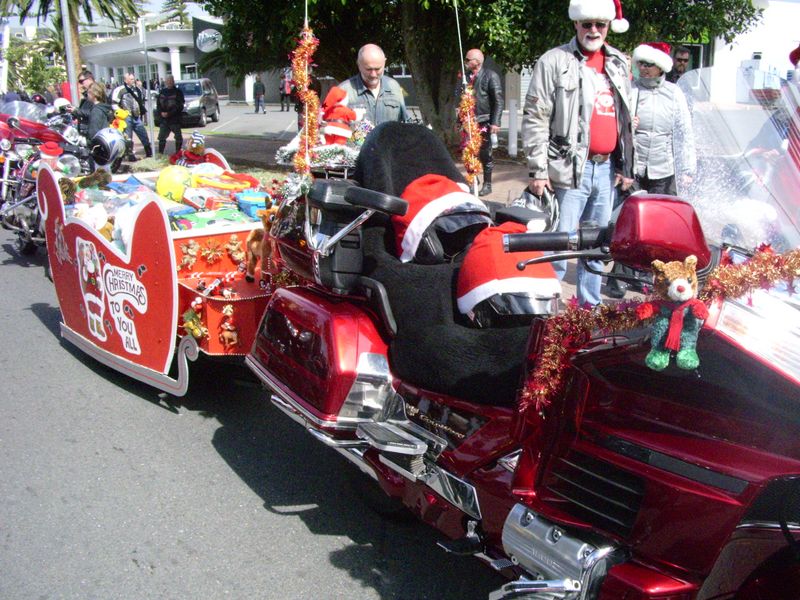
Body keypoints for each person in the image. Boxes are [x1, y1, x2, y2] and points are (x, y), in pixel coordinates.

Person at [521, 0, 634, 307]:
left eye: (600, 24)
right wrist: (538, 170)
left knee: (596, 247)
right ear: (576, 24)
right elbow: (535, 117)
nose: (593, 30)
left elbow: (625, 119)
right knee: (559, 245)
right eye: (587, 24)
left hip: (606, 170)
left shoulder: (619, 63)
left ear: (608, 26)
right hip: (568, 170)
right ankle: (545, 309)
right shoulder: (554, 61)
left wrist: (626, 166)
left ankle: (588, 310)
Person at [606, 41, 696, 298]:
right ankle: (619, 276)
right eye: (641, 64)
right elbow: (615, 123)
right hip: (633, 167)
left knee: (658, 226)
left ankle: (648, 274)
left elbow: (684, 131)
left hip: (663, 168)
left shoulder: (673, 93)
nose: (644, 69)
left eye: (650, 64)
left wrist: (687, 168)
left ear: (661, 67)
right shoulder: (631, 89)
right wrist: (628, 124)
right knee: (629, 221)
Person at [465, 49, 503, 196]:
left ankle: (488, 184)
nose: (465, 62)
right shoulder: (466, 77)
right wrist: (459, 120)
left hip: (485, 121)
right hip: (469, 122)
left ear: (477, 62)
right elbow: (463, 100)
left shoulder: (490, 76)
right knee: (469, 152)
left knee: (485, 153)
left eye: (468, 60)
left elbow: (498, 100)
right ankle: (473, 180)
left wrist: (495, 122)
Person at [338, 43, 408, 125]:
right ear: (359, 65)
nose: (373, 74)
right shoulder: (343, 91)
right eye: (368, 69)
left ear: (384, 63)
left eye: (377, 69)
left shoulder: (394, 87)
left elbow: (404, 123)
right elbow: (334, 128)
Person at [118, 72, 152, 159]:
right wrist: (120, 113)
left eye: (133, 79)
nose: (133, 80)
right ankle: (130, 155)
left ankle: (149, 152)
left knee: (143, 133)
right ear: (126, 80)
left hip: (136, 116)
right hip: (126, 117)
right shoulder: (120, 90)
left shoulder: (137, 89)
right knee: (128, 137)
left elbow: (142, 99)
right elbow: (114, 103)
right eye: (131, 79)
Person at [157, 75, 185, 155]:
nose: (169, 83)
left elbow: (180, 106)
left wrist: (169, 113)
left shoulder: (178, 92)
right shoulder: (162, 92)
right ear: (165, 82)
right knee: (161, 137)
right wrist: (161, 113)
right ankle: (160, 154)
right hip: (164, 120)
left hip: (174, 119)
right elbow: (158, 104)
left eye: (170, 81)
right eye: (168, 81)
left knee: (178, 137)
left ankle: (178, 153)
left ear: (173, 81)